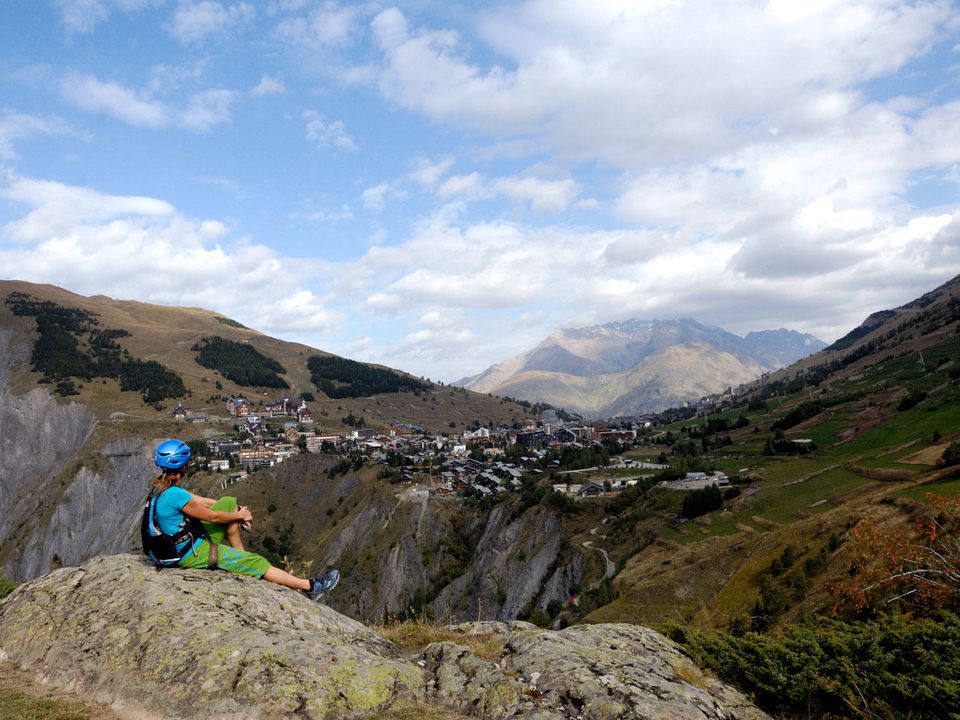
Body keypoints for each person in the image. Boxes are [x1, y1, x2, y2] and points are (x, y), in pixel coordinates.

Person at [148, 438, 339, 600]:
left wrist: (236, 509)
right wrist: (239, 516)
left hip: (177, 544)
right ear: (182, 465)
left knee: (228, 502)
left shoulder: (163, 487)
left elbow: (203, 502)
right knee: (257, 562)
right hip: (189, 552)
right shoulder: (174, 495)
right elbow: (212, 517)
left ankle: (240, 557)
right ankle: (310, 587)